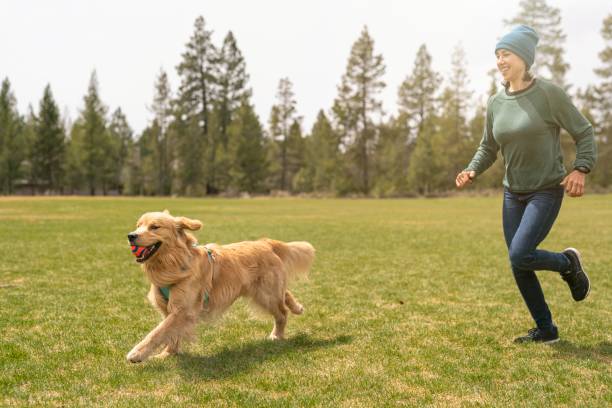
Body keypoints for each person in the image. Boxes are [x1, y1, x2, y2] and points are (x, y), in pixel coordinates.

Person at [456, 25, 597, 344]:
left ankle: (567, 263)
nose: (500, 60)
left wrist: (581, 168)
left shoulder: (548, 94)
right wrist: (471, 170)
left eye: (506, 54)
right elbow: (488, 146)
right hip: (512, 193)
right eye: (497, 55)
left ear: (523, 57)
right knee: (519, 262)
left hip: (545, 190)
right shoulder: (495, 102)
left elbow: (584, 132)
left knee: (520, 254)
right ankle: (546, 330)